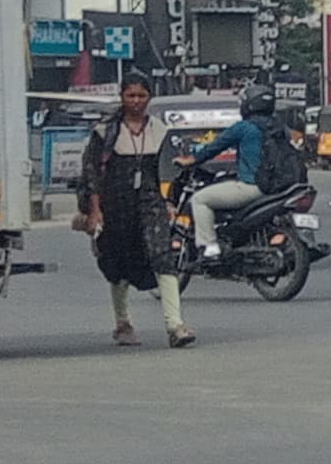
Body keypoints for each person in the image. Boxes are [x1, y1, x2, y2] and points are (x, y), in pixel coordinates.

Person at [79, 76, 189, 349]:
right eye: (131, 96)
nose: (136, 101)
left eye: (141, 96)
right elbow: (92, 173)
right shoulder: (106, 132)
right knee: (118, 261)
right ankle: (123, 323)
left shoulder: (159, 130)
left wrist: (168, 202)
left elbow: (166, 169)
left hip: (149, 201)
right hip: (116, 203)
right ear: (122, 97)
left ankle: (175, 325)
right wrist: (95, 210)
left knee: (162, 255)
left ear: (149, 98)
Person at [176, 85, 284, 264]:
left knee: (200, 199)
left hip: (252, 187)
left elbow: (214, 147)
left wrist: (191, 160)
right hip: (279, 187)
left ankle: (210, 247)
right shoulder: (280, 128)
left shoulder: (244, 128)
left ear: (248, 105)